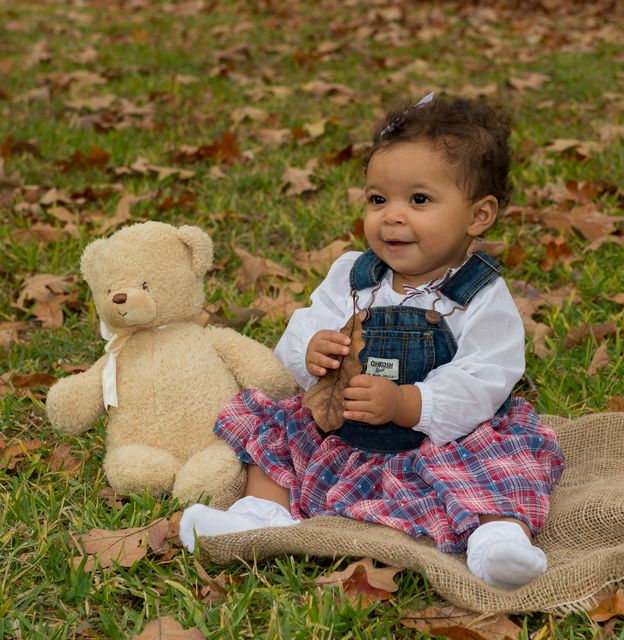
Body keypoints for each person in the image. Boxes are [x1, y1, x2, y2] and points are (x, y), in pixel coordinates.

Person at [179, 95, 565, 590]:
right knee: (278, 437)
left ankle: (497, 537)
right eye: (378, 200)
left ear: (478, 215)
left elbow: (487, 376)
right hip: (346, 428)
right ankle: (259, 515)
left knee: (497, 465)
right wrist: (311, 350)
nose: (391, 216)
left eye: (419, 200)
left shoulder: (479, 295)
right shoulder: (354, 275)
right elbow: (303, 327)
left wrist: (408, 403)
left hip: (441, 437)